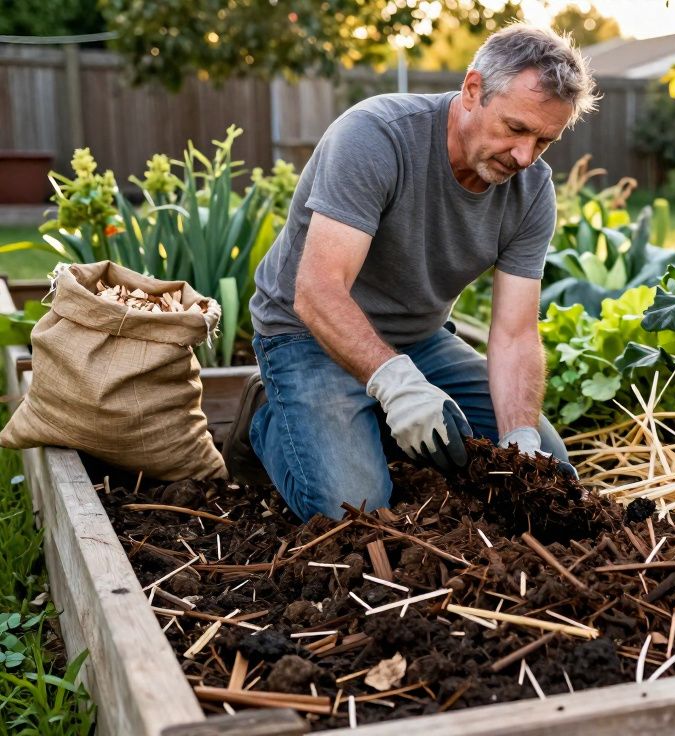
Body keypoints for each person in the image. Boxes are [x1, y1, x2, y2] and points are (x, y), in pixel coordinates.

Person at [222, 25, 598, 522]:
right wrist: (397, 385)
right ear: (472, 89)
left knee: (540, 474)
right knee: (353, 508)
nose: (525, 156)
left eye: (544, 141)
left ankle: (369, 420)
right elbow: (315, 292)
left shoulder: (531, 190)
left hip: (419, 342)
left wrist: (519, 434)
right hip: (307, 335)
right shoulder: (378, 137)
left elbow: (513, 333)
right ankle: (272, 421)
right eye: (515, 128)